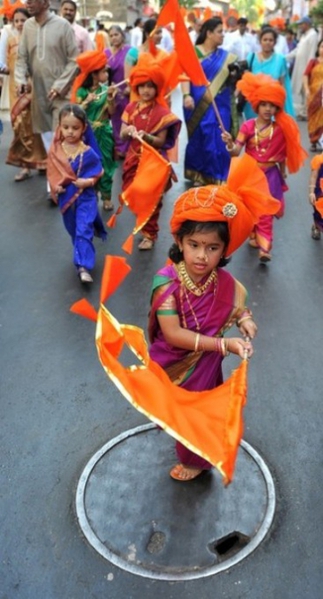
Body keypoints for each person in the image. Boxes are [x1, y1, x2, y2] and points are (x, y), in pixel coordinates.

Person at [148, 153, 280, 481]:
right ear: (179, 241)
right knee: (181, 410)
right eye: (193, 245)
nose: (201, 256)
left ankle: (196, 460)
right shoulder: (166, 281)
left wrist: (245, 318)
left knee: (196, 414)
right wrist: (225, 345)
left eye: (212, 248)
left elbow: (235, 301)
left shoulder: (219, 280)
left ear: (225, 250)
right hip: (174, 361)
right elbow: (174, 334)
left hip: (205, 366)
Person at [222, 72, 307, 263]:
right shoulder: (248, 127)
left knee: (266, 212)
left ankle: (265, 248)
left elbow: (283, 155)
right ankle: (253, 234)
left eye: (272, 105)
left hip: (270, 175)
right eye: (264, 104)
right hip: (250, 174)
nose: (268, 109)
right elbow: (236, 151)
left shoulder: (280, 129)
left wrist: (283, 174)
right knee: (251, 209)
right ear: (257, 105)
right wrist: (229, 143)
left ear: (277, 107)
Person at [14, 0, 79, 198]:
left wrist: (60, 85)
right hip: (39, 94)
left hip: (61, 93)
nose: (28, 4)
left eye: (32, 1)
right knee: (49, 140)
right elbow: (21, 58)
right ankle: (57, 182)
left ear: (45, 2)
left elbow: (74, 60)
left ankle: (56, 187)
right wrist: (20, 80)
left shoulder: (63, 26)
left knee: (61, 138)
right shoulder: (28, 27)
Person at [120, 54, 181, 250]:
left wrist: (145, 136)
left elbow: (161, 142)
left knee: (152, 197)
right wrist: (128, 131)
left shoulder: (162, 113)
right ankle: (143, 223)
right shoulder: (130, 108)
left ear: (157, 88)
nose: (146, 90)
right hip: (132, 160)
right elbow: (121, 134)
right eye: (142, 85)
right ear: (136, 86)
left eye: (150, 86)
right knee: (134, 195)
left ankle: (149, 234)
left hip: (152, 162)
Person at [47, 104, 106, 284]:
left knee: (84, 228)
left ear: (84, 129)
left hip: (86, 197)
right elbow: (53, 174)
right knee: (74, 230)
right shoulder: (56, 151)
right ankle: (82, 251)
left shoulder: (87, 151)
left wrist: (87, 182)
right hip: (67, 198)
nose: (70, 132)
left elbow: (98, 171)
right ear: (59, 127)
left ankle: (83, 266)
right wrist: (56, 187)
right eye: (66, 127)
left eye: (75, 128)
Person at [181, 17, 238, 186]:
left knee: (220, 138)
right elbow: (185, 76)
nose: (223, 35)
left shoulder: (226, 57)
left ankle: (219, 176)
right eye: (220, 32)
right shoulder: (193, 53)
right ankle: (200, 173)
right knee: (199, 139)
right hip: (197, 104)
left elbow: (233, 80)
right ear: (209, 33)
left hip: (221, 104)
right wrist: (186, 96)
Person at [0, 7, 47, 180]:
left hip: (35, 90)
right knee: (20, 128)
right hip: (16, 90)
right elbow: (3, 64)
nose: (19, 24)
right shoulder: (10, 40)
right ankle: (25, 166)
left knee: (38, 127)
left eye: (22, 20)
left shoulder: (36, 40)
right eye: (16, 20)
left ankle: (43, 162)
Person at [72, 49, 117, 212]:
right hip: (87, 134)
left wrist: (111, 98)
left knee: (106, 163)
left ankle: (106, 197)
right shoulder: (82, 91)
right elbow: (75, 112)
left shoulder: (105, 90)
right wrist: (86, 101)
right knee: (88, 165)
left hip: (104, 132)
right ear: (94, 74)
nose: (107, 73)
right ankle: (91, 195)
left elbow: (111, 113)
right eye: (103, 71)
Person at [244, 26, 294, 119]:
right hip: (253, 105)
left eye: (271, 40)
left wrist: (281, 104)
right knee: (253, 131)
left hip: (272, 105)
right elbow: (246, 80)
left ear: (274, 42)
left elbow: (282, 84)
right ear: (260, 41)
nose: (267, 42)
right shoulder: (251, 57)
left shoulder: (280, 59)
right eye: (265, 39)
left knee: (270, 132)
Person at [105, 25, 131, 159]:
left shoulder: (130, 51)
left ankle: (128, 148)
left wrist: (130, 87)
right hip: (112, 92)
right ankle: (119, 148)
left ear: (122, 35)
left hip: (127, 92)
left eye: (116, 34)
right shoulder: (106, 53)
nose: (114, 38)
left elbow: (136, 71)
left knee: (127, 119)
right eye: (111, 35)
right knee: (115, 121)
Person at [287, 16, 318, 120]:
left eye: (301, 24)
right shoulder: (304, 36)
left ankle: (306, 112)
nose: (300, 26)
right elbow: (297, 50)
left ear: (307, 24)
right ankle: (303, 111)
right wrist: (285, 57)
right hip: (299, 65)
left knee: (306, 89)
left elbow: (312, 53)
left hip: (306, 66)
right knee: (301, 90)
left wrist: (309, 69)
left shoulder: (313, 35)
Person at [303, 39, 323, 152]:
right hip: (314, 95)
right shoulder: (313, 62)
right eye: (322, 46)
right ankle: (314, 141)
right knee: (313, 119)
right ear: (318, 48)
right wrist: (306, 89)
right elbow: (305, 75)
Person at [308, 153, 323, 240]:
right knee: (318, 213)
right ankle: (316, 226)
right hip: (319, 192)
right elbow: (313, 177)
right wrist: (311, 192)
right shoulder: (318, 159)